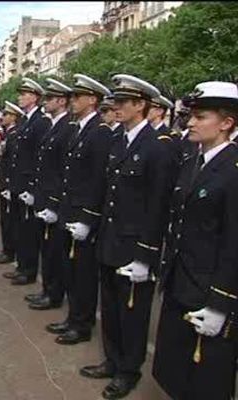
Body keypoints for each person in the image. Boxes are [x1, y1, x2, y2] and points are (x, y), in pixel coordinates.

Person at [81, 74, 177, 399]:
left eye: (123, 103)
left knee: (132, 314)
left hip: (135, 246)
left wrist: (146, 255)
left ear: (141, 105)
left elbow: (158, 205)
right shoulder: (118, 141)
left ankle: (128, 370)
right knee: (109, 307)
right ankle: (112, 359)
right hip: (111, 239)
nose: (116, 107)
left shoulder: (158, 147)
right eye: (115, 102)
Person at [153, 81, 238, 400]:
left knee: (207, 379)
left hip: (209, 290)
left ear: (226, 123)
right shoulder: (192, 161)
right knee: (175, 368)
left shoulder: (233, 169)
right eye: (191, 115)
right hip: (181, 281)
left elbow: (233, 243)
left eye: (201, 116)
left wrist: (220, 304)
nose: (189, 122)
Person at [41, 74, 112, 346]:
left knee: (83, 273)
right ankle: (73, 317)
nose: (72, 101)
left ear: (92, 99)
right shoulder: (79, 128)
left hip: (83, 215)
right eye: (71, 97)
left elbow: (97, 180)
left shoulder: (100, 131)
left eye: (77, 97)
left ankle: (82, 324)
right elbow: (67, 174)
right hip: (69, 211)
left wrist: (86, 218)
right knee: (70, 269)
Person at [24, 78, 74, 312]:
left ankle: (54, 294)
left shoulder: (67, 128)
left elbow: (62, 170)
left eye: (51, 99)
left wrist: (54, 204)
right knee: (47, 248)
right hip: (44, 196)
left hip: (55, 200)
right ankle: (47, 290)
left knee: (55, 251)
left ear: (61, 101)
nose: (46, 102)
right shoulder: (54, 125)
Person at [1, 77, 51, 286]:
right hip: (18, 184)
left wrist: (32, 187)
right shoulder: (25, 121)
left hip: (28, 186)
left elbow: (39, 158)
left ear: (35, 97)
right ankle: (22, 266)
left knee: (29, 231)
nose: (20, 97)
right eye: (20, 94)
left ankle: (28, 270)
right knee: (21, 228)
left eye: (24, 94)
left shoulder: (41, 121)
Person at [0, 101, 23, 264]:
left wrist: (9, 184)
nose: (2, 117)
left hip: (9, 182)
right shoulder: (7, 133)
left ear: (13, 117)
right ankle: (6, 249)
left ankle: (10, 251)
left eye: (6, 115)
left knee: (10, 220)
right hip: (4, 181)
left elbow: (13, 162)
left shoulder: (15, 134)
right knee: (5, 218)